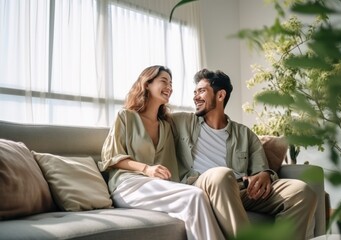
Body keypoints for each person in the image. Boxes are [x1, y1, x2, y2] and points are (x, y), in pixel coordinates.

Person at [170, 68, 318, 240]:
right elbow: (151, 115)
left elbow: (261, 170)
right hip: (201, 187)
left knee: (302, 191)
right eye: (195, 92)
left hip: (239, 189)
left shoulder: (244, 134)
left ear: (220, 95)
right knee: (222, 175)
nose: (195, 97)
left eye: (201, 91)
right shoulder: (181, 121)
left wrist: (265, 175)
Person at [98, 65, 225, 240]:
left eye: (171, 84)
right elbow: (111, 158)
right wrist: (146, 169)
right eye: (164, 81)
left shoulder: (166, 126)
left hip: (157, 187)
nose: (169, 87)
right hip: (128, 185)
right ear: (147, 84)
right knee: (194, 196)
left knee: (194, 199)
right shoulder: (126, 117)